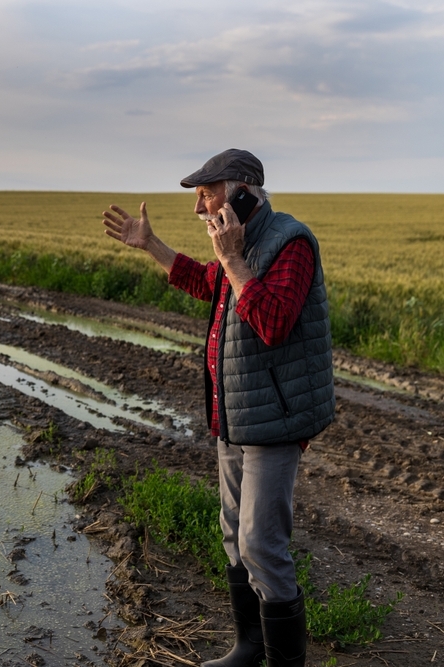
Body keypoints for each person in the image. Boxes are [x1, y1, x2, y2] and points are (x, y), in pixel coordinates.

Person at [101, 149, 334, 667]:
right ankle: (249, 648)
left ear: (244, 191)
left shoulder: (291, 242)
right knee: (233, 534)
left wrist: (231, 259)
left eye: (207, 193)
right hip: (234, 415)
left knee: (260, 544)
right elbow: (207, 283)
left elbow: (272, 322)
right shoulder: (245, 243)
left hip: (275, 418)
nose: (199, 207)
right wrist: (151, 245)